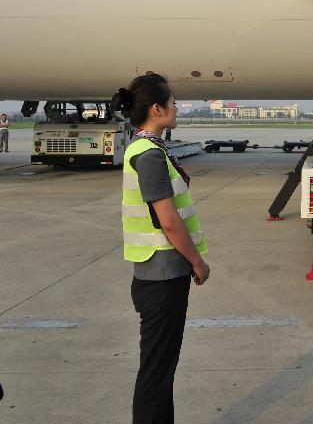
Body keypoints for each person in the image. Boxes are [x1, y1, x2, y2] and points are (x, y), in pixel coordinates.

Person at [112, 73, 210, 424]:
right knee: (156, 372)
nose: (176, 106)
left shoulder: (147, 149)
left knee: (161, 368)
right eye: (172, 101)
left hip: (158, 272)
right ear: (157, 108)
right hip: (163, 275)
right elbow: (167, 219)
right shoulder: (148, 155)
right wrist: (197, 261)